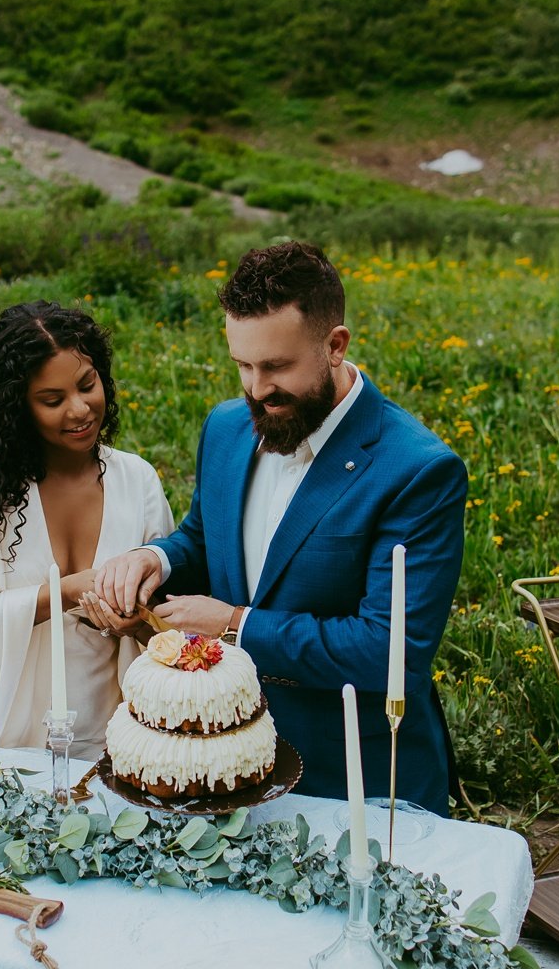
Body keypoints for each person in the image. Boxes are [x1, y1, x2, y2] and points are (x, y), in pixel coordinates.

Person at [88, 242, 466, 812]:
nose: (256, 388)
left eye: (277, 367)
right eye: (243, 364)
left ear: (335, 345)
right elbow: (205, 536)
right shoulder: (226, 427)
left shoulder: (417, 469)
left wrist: (236, 625)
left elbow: (388, 651)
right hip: (223, 768)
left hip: (356, 782)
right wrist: (155, 560)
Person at [0, 301, 172, 754]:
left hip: (113, 743)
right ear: (17, 406)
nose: (80, 409)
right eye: (53, 400)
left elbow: (163, 625)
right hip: (0, 742)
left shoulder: (136, 480)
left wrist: (133, 618)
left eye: (88, 385)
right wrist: (65, 592)